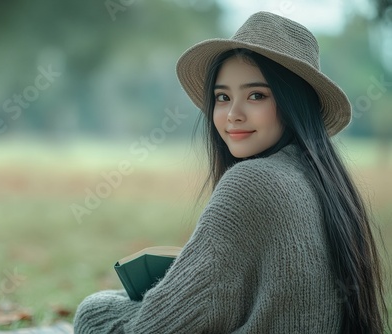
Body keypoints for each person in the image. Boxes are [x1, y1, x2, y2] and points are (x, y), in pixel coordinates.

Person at [73, 11, 388, 333]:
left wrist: (94, 308)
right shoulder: (326, 184)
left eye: (256, 95)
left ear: (294, 103)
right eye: (222, 97)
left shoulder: (253, 182)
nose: (232, 115)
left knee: (94, 311)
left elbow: (153, 328)